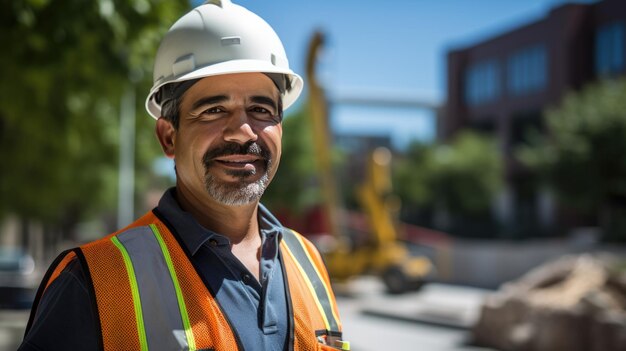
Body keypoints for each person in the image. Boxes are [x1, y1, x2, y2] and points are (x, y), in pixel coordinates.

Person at [19, 1, 348, 350]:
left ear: (280, 130)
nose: (243, 131)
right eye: (214, 110)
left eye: (261, 109)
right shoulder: (95, 281)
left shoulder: (308, 261)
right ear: (169, 137)